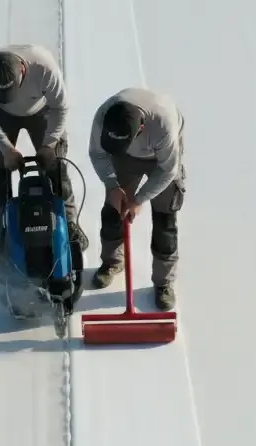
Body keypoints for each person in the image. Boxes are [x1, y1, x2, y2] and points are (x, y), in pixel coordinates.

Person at [0, 44, 88, 262]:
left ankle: (69, 224)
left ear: (23, 71)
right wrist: (6, 149)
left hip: (42, 110)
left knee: (57, 169)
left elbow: (60, 108)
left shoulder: (44, 67)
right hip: (0, 115)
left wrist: (49, 144)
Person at [88, 87, 186, 310]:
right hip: (126, 156)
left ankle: (164, 283)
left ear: (140, 128)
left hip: (162, 159)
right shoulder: (104, 116)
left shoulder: (164, 124)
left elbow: (167, 171)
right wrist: (113, 186)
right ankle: (112, 262)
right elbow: (97, 154)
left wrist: (139, 199)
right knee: (114, 209)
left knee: (165, 220)